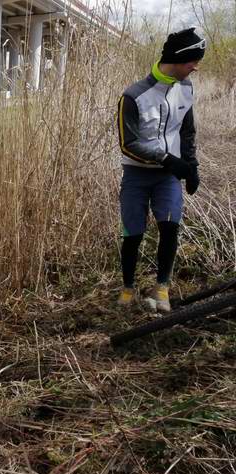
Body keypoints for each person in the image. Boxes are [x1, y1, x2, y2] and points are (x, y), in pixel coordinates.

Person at [116, 28, 205, 312]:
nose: (195, 66)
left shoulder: (186, 88)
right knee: (133, 233)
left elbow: (187, 130)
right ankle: (128, 287)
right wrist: (168, 159)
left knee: (170, 226)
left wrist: (191, 166)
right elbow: (127, 144)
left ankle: (162, 288)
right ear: (178, 59)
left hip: (168, 177)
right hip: (137, 176)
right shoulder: (133, 96)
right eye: (192, 60)